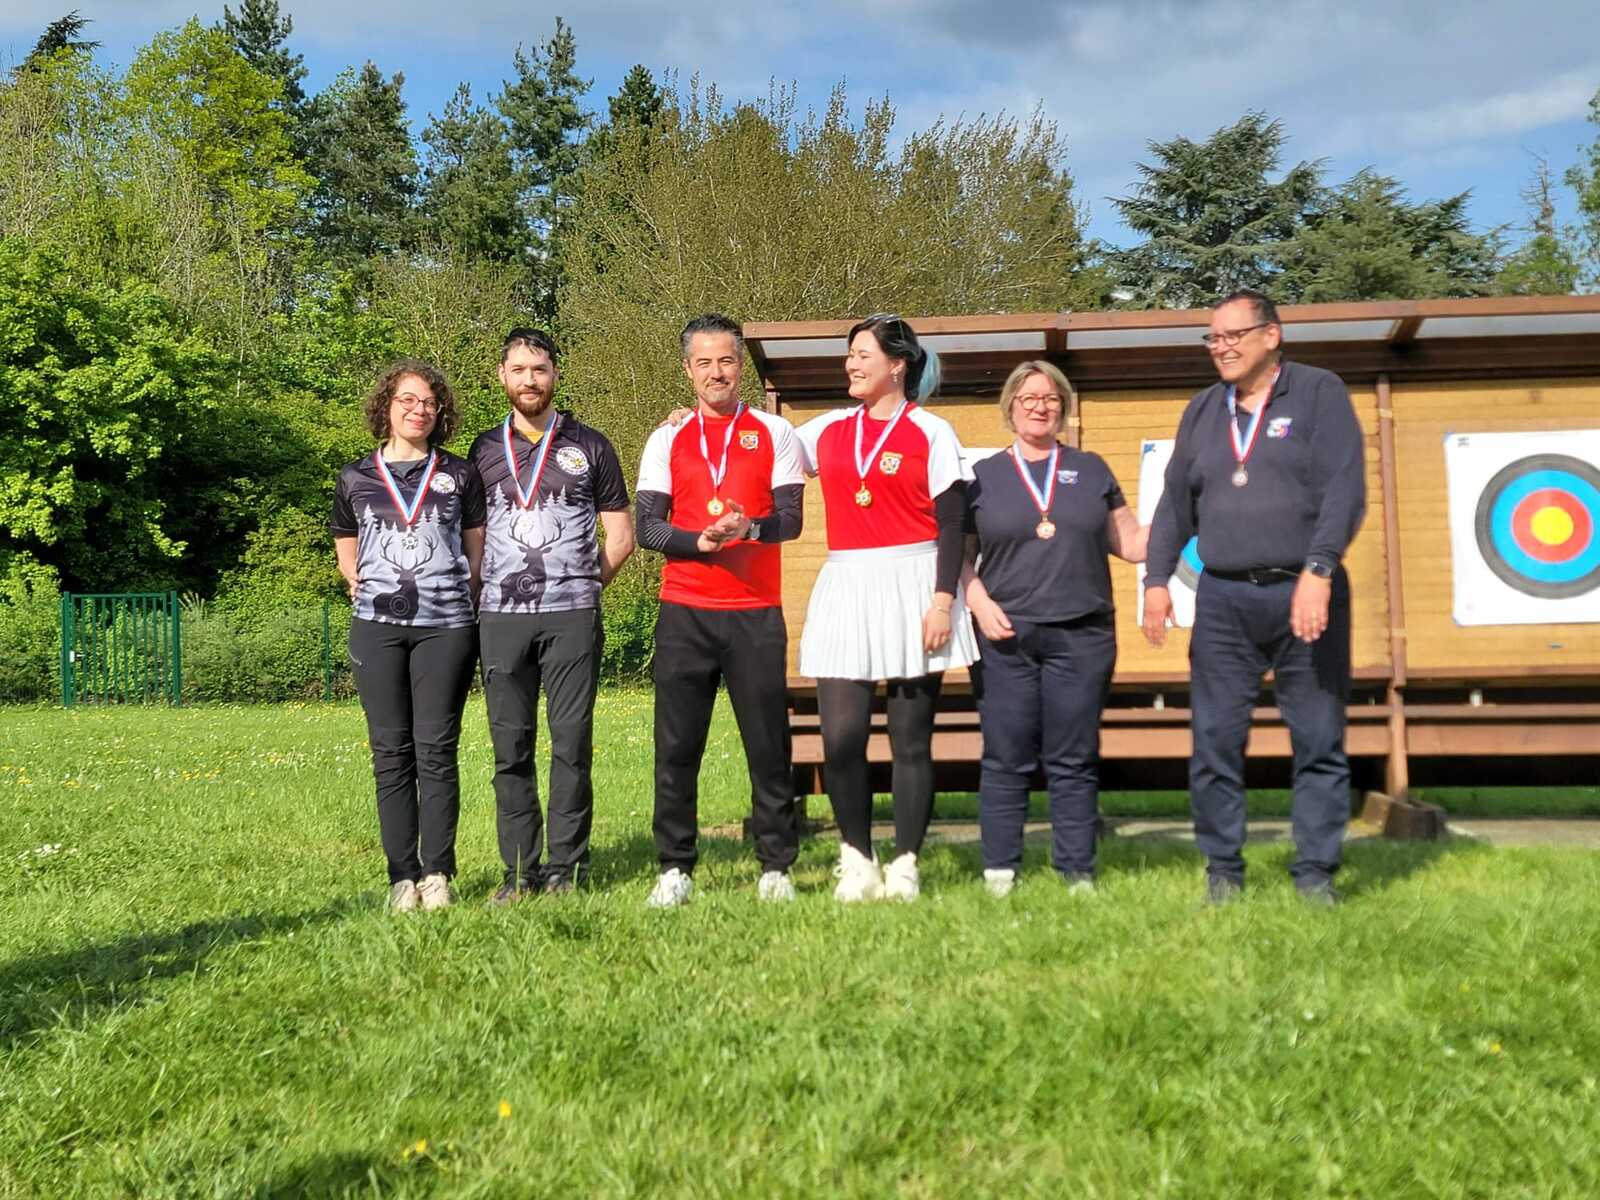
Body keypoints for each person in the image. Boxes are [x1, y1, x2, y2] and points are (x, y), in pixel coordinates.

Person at [1142, 289, 1365, 907]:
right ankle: (1223, 871)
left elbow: (1345, 490)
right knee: (1215, 739)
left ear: (1272, 335)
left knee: (1318, 737)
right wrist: (1156, 579)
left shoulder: (1318, 393)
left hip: (1306, 593)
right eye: (1212, 338)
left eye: (1232, 335)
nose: (1221, 348)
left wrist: (1319, 569)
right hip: (1223, 601)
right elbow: (1174, 504)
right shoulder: (1202, 409)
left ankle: (1315, 874)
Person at [795, 313, 978, 902]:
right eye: (849, 355)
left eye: (862, 354)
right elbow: (760, 446)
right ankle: (857, 859)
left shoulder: (931, 432)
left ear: (897, 364)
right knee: (841, 737)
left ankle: (905, 863)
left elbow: (954, 522)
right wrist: (688, 420)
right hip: (847, 584)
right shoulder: (827, 429)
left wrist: (943, 600)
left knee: (910, 739)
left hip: (915, 584)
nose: (850, 364)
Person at [635, 314, 806, 907]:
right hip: (685, 610)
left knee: (768, 744)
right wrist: (700, 542)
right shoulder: (666, 438)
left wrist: (748, 528)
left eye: (727, 360)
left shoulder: (774, 432)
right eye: (704, 362)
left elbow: (791, 521)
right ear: (688, 369)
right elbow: (647, 527)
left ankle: (776, 866)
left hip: (755, 612)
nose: (717, 372)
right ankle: (674, 867)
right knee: (676, 747)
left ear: (741, 367)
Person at [963, 361, 1148, 898]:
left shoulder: (1091, 470)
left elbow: (1131, 542)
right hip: (1006, 636)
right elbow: (959, 557)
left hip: (1082, 635)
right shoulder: (982, 477)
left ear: (1063, 407)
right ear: (1010, 407)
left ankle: (1077, 871)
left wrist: (1191, 511)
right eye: (1028, 398)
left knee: (1074, 755)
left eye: (1050, 398)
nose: (1039, 407)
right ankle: (1000, 871)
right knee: (1006, 755)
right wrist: (977, 601)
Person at [468, 328, 635, 902]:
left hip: (572, 617)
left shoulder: (592, 445)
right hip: (501, 618)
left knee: (571, 744)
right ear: (502, 376)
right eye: (518, 370)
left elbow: (621, 537)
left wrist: (584, 585)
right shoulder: (482, 451)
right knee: (509, 748)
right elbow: (473, 540)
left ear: (555, 374)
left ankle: (567, 869)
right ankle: (519, 872)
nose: (529, 380)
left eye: (539, 369)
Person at [332, 360, 485, 913]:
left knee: (437, 750)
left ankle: (437, 872)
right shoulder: (355, 476)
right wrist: (357, 579)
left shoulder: (460, 474)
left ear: (440, 413)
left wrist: (457, 592)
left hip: (445, 627)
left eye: (429, 403)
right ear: (387, 406)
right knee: (390, 752)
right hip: (378, 629)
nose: (419, 410)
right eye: (408, 400)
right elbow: (345, 543)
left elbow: (476, 550)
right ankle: (402, 876)